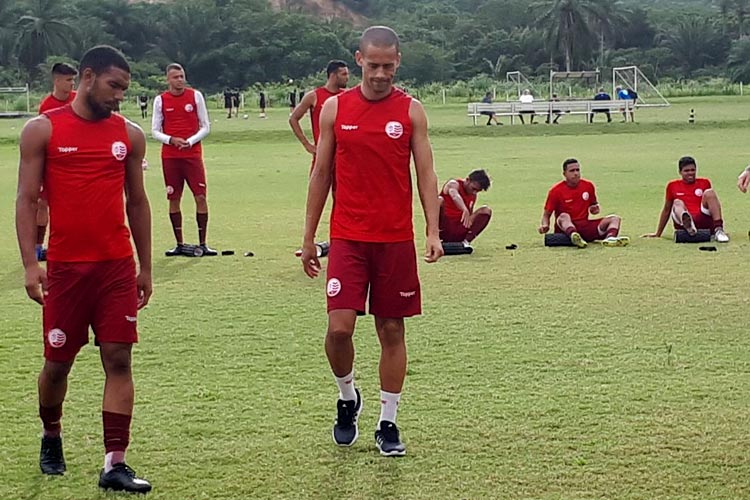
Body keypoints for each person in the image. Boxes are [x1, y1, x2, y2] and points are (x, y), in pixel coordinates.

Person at [300, 25, 443, 457]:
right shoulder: (334, 110)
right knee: (338, 330)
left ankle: (388, 422)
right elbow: (321, 175)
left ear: (398, 61)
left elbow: (426, 175)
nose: (381, 74)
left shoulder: (412, 111)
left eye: (389, 65)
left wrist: (433, 230)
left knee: (391, 328)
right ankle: (348, 399)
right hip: (347, 237)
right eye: (373, 64)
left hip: (395, 239)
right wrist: (308, 237)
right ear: (358, 60)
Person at [15, 45, 153, 493]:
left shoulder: (129, 135)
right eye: (114, 87)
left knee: (118, 358)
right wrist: (30, 264)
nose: (119, 97)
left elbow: (137, 201)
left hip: (115, 267)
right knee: (57, 364)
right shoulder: (43, 130)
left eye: (125, 90)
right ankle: (51, 433)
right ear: (88, 77)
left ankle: (115, 462)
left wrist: (145, 267)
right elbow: (26, 200)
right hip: (66, 270)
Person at [152, 63, 216, 256]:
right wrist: (171, 140)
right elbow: (154, 130)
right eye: (175, 77)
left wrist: (190, 141)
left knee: (201, 196)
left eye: (181, 76)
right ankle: (179, 244)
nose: (179, 80)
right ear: (168, 79)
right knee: (173, 198)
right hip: (170, 157)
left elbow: (205, 126)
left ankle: (203, 243)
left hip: (192, 155)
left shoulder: (195, 96)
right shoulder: (160, 100)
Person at [36, 62, 79, 263]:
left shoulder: (78, 100)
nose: (72, 84)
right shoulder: (46, 107)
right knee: (42, 203)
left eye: (73, 79)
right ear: (57, 80)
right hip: (54, 162)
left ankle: (75, 243)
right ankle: (38, 246)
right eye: (69, 80)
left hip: (78, 160)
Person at [539, 158, 630, 247]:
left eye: (577, 170)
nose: (576, 173)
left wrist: (595, 209)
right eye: (572, 171)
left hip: (584, 226)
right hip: (565, 230)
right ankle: (574, 235)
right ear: (564, 174)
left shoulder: (588, 186)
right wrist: (545, 225)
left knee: (615, 218)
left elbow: (593, 207)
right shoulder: (556, 191)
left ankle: (610, 239)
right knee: (563, 216)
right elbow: (546, 214)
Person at [643, 156, 729, 242]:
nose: (690, 173)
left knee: (710, 193)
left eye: (693, 170)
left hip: (702, 217)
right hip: (682, 221)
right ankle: (688, 223)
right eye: (686, 171)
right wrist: (658, 233)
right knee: (677, 202)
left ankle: (719, 230)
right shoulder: (672, 185)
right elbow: (666, 210)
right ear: (680, 172)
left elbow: (711, 205)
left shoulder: (704, 182)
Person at [289, 60, 350, 170]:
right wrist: (307, 145)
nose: (347, 77)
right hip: (322, 156)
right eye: (344, 74)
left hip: (343, 157)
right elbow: (293, 118)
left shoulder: (347, 96)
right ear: (333, 75)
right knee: (318, 186)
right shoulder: (314, 96)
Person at [439, 169, 492, 245]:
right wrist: (464, 209)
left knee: (486, 210)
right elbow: (455, 196)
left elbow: (469, 217)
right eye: (473, 189)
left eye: (477, 191)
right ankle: (437, 239)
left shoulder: (473, 195)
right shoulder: (453, 184)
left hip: (459, 228)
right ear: (467, 180)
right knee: (439, 201)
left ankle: (465, 242)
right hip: (444, 226)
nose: (474, 192)